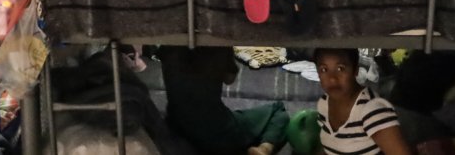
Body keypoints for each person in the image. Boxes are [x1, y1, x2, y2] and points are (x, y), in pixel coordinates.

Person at [159, 45, 289, 155]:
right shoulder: (218, 45)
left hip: (176, 130)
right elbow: (229, 79)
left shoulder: (168, 45)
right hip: (218, 132)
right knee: (278, 110)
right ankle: (264, 149)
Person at [314, 48, 411, 155]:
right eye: (324, 69)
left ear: (355, 70)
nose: (332, 79)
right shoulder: (324, 103)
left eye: (340, 68)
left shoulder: (372, 110)